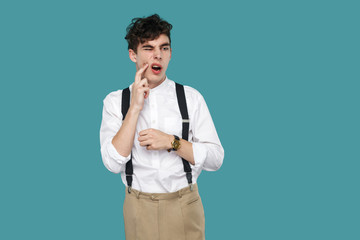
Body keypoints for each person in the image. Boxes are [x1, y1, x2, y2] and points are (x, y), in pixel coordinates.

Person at [99, 14, 224, 240]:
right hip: (138, 206)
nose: (157, 55)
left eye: (164, 48)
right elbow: (112, 163)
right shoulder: (115, 101)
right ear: (132, 54)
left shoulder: (191, 98)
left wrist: (172, 142)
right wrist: (135, 108)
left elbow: (216, 158)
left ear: (170, 53)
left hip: (185, 203)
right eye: (148, 48)